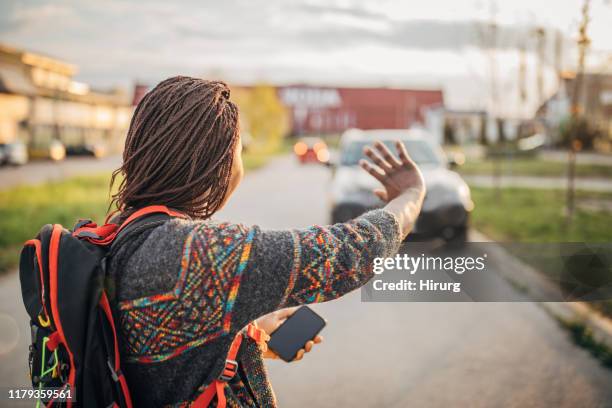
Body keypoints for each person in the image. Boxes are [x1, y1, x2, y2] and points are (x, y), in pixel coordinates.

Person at [106, 76, 425, 407]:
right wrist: (411, 197)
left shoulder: (120, 234)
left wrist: (246, 333)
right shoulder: (205, 253)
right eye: (238, 150)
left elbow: (154, 345)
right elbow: (352, 252)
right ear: (218, 162)